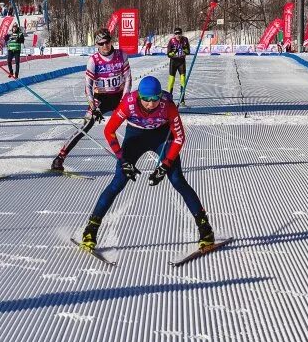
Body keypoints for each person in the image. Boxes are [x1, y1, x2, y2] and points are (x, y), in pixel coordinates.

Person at [78, 76, 214, 251]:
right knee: (118, 181)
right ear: (139, 96)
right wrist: (122, 159)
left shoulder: (168, 106)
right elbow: (109, 130)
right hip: (136, 137)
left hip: (161, 136)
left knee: (177, 180)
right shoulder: (129, 103)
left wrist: (165, 165)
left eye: (155, 99)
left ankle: (205, 228)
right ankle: (91, 229)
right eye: (146, 99)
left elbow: (180, 137)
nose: (151, 103)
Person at [51, 27, 132, 172]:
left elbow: (128, 80)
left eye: (106, 42)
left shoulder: (121, 55)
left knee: (137, 120)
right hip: (100, 98)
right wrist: (93, 108)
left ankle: (132, 157)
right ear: (96, 45)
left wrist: (124, 101)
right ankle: (60, 157)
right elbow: (87, 85)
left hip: (119, 96)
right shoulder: (93, 60)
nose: (105, 46)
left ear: (111, 41)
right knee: (85, 126)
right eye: (100, 44)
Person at [166, 28, 190, 103]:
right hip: (173, 62)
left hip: (181, 62)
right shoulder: (171, 41)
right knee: (171, 80)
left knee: (183, 80)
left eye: (179, 33)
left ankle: (182, 99)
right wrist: (174, 52)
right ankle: (169, 99)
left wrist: (184, 48)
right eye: (176, 34)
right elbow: (168, 54)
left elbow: (188, 51)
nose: (178, 35)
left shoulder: (185, 40)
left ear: (181, 33)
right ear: (174, 34)